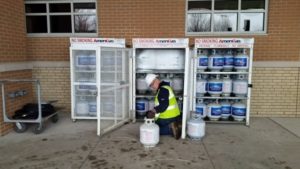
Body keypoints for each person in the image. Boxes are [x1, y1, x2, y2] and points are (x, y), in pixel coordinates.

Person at [145, 74, 182, 139]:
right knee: (153, 124)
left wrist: (154, 111)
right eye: (150, 86)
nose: (152, 87)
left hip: (168, 118)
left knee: (153, 129)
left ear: (156, 80)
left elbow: (164, 105)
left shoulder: (163, 90)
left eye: (152, 84)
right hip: (173, 116)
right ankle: (175, 125)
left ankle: (171, 129)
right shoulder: (165, 87)